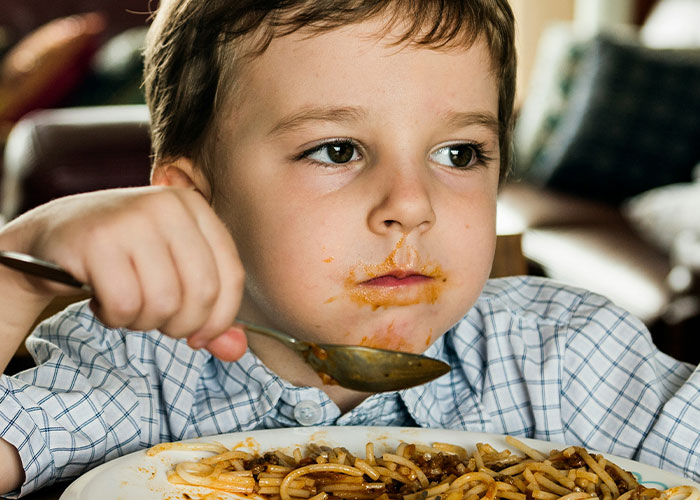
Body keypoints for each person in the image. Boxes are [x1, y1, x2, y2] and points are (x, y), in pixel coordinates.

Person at [0, 0, 698, 497]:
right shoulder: (135, 365)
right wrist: (16, 271)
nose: (412, 205)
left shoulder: (565, 356)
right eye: (338, 149)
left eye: (460, 153)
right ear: (195, 203)